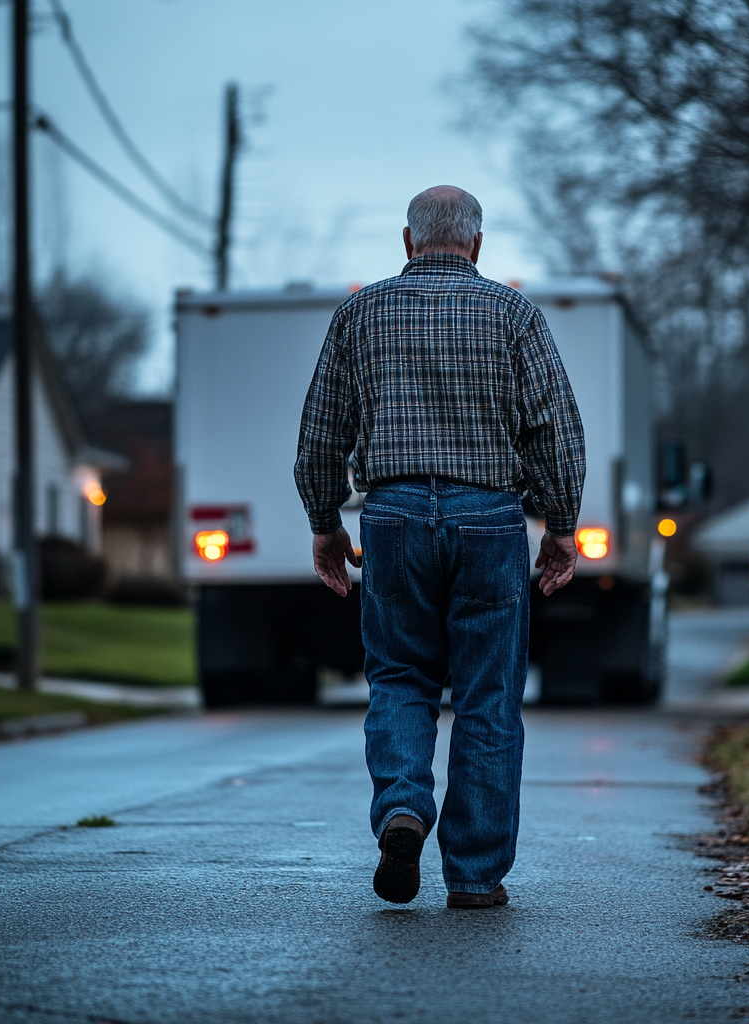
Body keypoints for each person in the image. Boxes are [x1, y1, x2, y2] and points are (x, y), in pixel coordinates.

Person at [294, 185, 585, 908]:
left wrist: (325, 524)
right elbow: (558, 430)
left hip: (390, 517)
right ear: (477, 245)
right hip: (490, 519)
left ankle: (402, 807)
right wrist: (561, 527)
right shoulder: (515, 315)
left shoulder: (359, 314)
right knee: (488, 698)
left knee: (399, 678)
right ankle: (476, 876)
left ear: (407, 241)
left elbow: (320, 435)